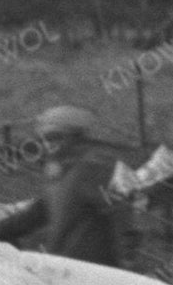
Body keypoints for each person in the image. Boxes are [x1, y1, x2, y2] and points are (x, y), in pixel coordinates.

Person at [27, 105, 136, 267]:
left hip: (93, 268)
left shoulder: (91, 169)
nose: (47, 144)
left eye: (54, 137)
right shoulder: (60, 174)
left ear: (75, 137)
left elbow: (120, 211)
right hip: (65, 266)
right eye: (43, 139)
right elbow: (36, 213)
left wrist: (127, 255)